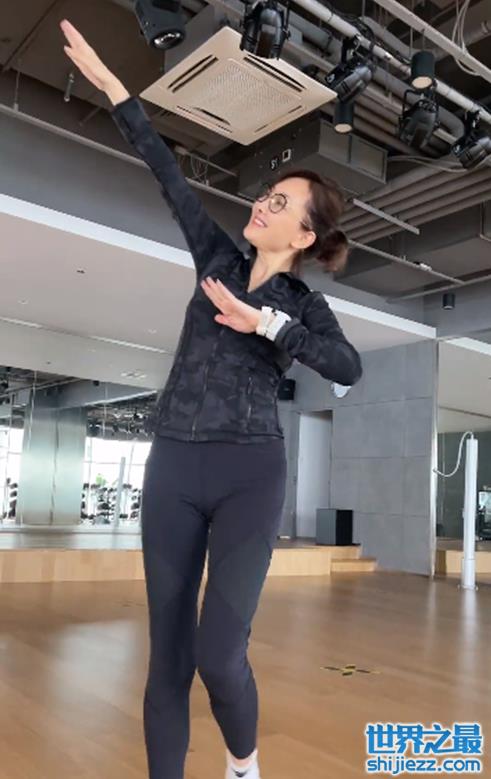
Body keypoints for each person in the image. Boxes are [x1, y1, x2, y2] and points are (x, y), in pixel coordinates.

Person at [60, 19, 363, 779]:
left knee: (219, 653)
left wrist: (266, 323)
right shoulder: (216, 258)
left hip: (249, 472)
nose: (263, 203)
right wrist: (114, 87)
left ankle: (242, 762)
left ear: (303, 234)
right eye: (266, 193)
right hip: (172, 465)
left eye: (281, 201)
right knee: (167, 656)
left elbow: (347, 366)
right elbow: (166, 171)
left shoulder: (305, 306)